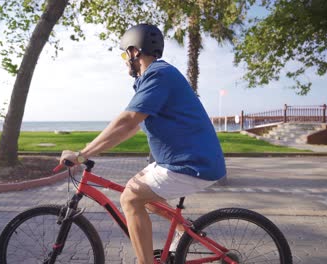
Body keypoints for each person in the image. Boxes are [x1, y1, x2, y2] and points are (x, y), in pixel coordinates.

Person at [59, 24, 226, 264]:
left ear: (134, 51)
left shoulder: (159, 74)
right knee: (140, 190)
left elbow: (127, 121)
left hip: (191, 164)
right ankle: (187, 232)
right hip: (184, 161)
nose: (124, 61)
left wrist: (81, 154)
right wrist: (89, 152)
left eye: (124, 55)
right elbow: (131, 127)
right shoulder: (153, 78)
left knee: (130, 198)